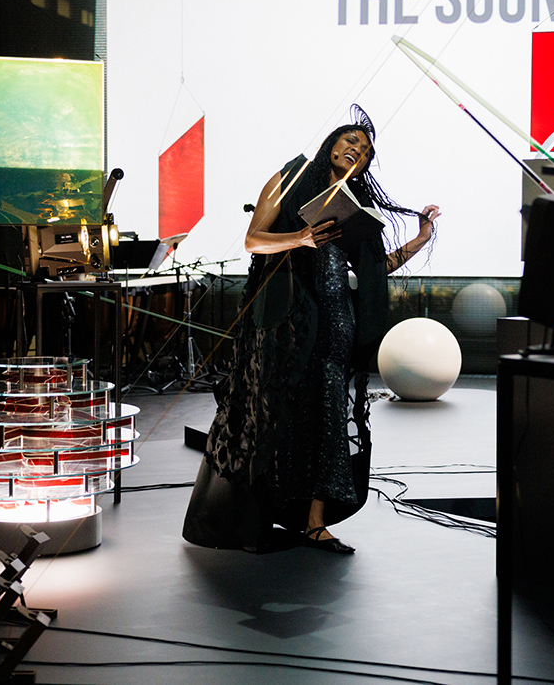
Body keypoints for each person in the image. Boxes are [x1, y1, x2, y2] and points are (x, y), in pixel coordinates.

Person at [183, 106, 440, 554]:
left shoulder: (356, 209)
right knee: (272, 414)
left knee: (328, 418)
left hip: (337, 321)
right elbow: (254, 239)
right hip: (286, 323)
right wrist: (300, 238)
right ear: (331, 144)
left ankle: (314, 523)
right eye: (351, 140)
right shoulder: (290, 177)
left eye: (365, 150)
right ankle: (253, 519)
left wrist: (419, 240)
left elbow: (375, 271)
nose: (357, 150)